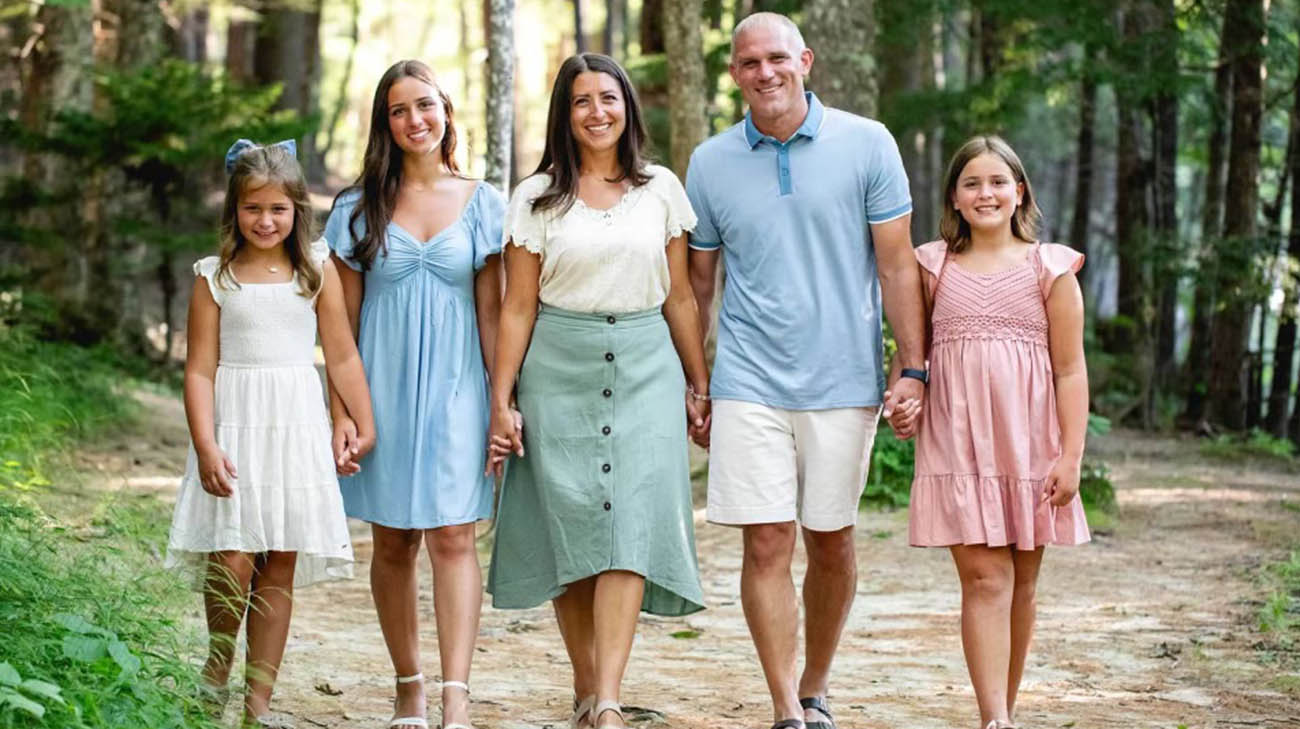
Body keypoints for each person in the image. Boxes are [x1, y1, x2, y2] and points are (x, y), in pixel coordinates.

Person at [684, 12, 928, 729]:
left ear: (807, 60)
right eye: (750, 62)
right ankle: (786, 706)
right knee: (765, 539)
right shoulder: (710, 162)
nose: (766, 73)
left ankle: (816, 683)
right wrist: (696, 382)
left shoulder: (868, 143)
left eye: (778, 59)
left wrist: (911, 367)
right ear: (734, 73)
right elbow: (699, 285)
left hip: (842, 378)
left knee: (832, 539)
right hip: (748, 379)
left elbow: (896, 264)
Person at [484, 52, 709, 729]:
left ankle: (608, 696)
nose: (596, 111)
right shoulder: (535, 197)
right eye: (581, 100)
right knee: (573, 525)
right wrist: (503, 397)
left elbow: (681, 298)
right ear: (564, 113)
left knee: (627, 527)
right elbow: (517, 305)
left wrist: (699, 380)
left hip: (646, 366)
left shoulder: (661, 187)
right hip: (558, 367)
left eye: (607, 97)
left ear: (627, 105)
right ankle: (587, 687)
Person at [166, 139, 376, 728]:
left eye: (277, 210)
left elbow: (341, 357)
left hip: (294, 425)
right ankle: (218, 664)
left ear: (297, 211)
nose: (265, 221)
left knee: (278, 561)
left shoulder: (315, 268)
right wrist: (206, 443)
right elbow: (200, 368)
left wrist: (360, 419)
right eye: (252, 209)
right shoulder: (216, 278)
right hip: (234, 425)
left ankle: (258, 703)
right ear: (234, 210)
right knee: (232, 556)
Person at [323, 60, 504, 729]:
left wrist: (502, 401)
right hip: (382, 387)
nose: (414, 120)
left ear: (446, 110)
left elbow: (493, 314)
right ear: (385, 123)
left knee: (455, 535)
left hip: (460, 385)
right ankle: (410, 685)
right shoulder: (356, 207)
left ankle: (456, 691)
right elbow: (336, 325)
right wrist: (342, 411)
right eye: (399, 110)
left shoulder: (483, 201)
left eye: (424, 105)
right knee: (393, 541)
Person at [892, 135, 1090, 729]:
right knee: (985, 577)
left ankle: (1003, 709)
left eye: (998, 182)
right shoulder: (932, 266)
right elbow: (912, 360)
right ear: (954, 195)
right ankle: (993, 719)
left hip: (1031, 445)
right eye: (972, 183)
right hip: (958, 444)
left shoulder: (1052, 268)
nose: (986, 193)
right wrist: (907, 396)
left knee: (1022, 584)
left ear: (1019, 191)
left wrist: (1072, 457)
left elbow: (1071, 370)